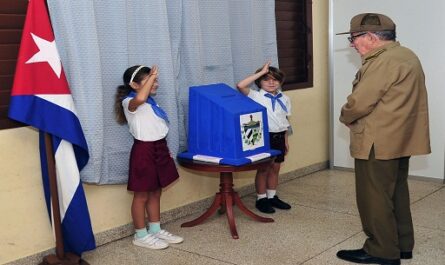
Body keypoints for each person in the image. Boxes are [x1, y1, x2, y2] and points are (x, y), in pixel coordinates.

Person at [336, 13, 431, 265]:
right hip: (399, 139)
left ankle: (381, 251)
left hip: (376, 142)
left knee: (374, 197)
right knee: (396, 192)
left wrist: (345, 115)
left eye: (353, 38)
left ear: (369, 37)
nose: (352, 44)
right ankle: (402, 246)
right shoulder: (406, 55)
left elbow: (360, 102)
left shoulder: (382, 61)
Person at [114, 65, 183, 250]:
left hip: (159, 147)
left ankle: (155, 228)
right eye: (150, 80)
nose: (156, 83)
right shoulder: (130, 102)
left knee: (156, 190)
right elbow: (141, 98)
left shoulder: (152, 103)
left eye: (156, 80)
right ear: (134, 85)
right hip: (144, 150)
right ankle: (140, 234)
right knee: (141, 194)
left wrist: (164, 149)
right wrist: (151, 77)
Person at [236, 62, 292, 214]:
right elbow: (240, 85)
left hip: (279, 136)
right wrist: (261, 72)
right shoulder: (255, 96)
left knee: (275, 167)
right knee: (263, 169)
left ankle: (272, 196)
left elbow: (285, 120)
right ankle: (261, 199)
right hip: (264, 136)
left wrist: (285, 140)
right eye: (266, 79)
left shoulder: (285, 98)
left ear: (280, 82)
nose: (271, 82)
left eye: (275, 79)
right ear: (259, 82)